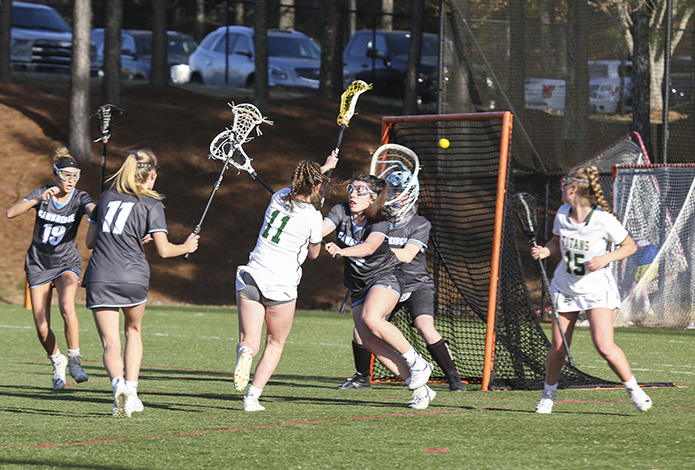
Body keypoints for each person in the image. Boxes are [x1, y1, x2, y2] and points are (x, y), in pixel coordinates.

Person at [83, 149, 199, 418]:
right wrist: (186, 245)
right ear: (152, 174)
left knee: (110, 343)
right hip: (133, 278)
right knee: (133, 331)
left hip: (100, 276)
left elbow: (90, 242)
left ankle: (117, 389)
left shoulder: (106, 197)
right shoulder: (151, 204)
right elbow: (165, 251)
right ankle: (132, 392)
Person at [531, 165, 652, 414]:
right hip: (565, 288)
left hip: (597, 290)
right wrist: (546, 251)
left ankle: (634, 390)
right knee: (558, 348)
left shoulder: (603, 220)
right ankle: (548, 395)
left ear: (573, 189)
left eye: (564, 185)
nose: (561, 189)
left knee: (604, 346)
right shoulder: (562, 214)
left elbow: (629, 246)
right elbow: (556, 242)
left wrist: (606, 259)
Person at [338, 181, 466, 392]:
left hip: (416, 284)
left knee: (425, 327)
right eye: (394, 192)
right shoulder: (379, 220)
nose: (397, 197)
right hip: (382, 280)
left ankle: (453, 378)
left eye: (402, 193)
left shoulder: (419, 224)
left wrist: (371, 248)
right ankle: (362, 377)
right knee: (362, 330)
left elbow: (407, 255)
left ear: (412, 195)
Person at [322, 173, 436, 409]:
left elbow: (369, 247)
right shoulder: (340, 211)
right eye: (351, 188)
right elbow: (320, 230)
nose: (353, 194)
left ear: (373, 198)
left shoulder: (379, 219)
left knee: (372, 319)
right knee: (369, 341)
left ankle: (418, 362)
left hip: (386, 276)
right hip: (358, 283)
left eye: (361, 191)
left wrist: (342, 251)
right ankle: (421, 391)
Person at [233, 156, 336, 412]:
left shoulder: (278, 196)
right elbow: (313, 254)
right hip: (281, 286)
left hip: (252, 276)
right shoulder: (313, 218)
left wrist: (324, 168)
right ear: (316, 186)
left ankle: (245, 353)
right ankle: (252, 398)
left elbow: (302, 184)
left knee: (250, 340)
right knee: (274, 343)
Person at [6, 147, 94, 390]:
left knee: (67, 306)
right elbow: (11, 213)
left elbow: (91, 210)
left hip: (66, 263)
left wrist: (99, 211)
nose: (71, 181)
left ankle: (75, 359)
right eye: (66, 175)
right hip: (38, 265)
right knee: (42, 328)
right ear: (55, 175)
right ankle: (57, 360)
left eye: (75, 176)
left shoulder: (80, 197)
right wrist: (37, 199)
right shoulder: (43, 192)